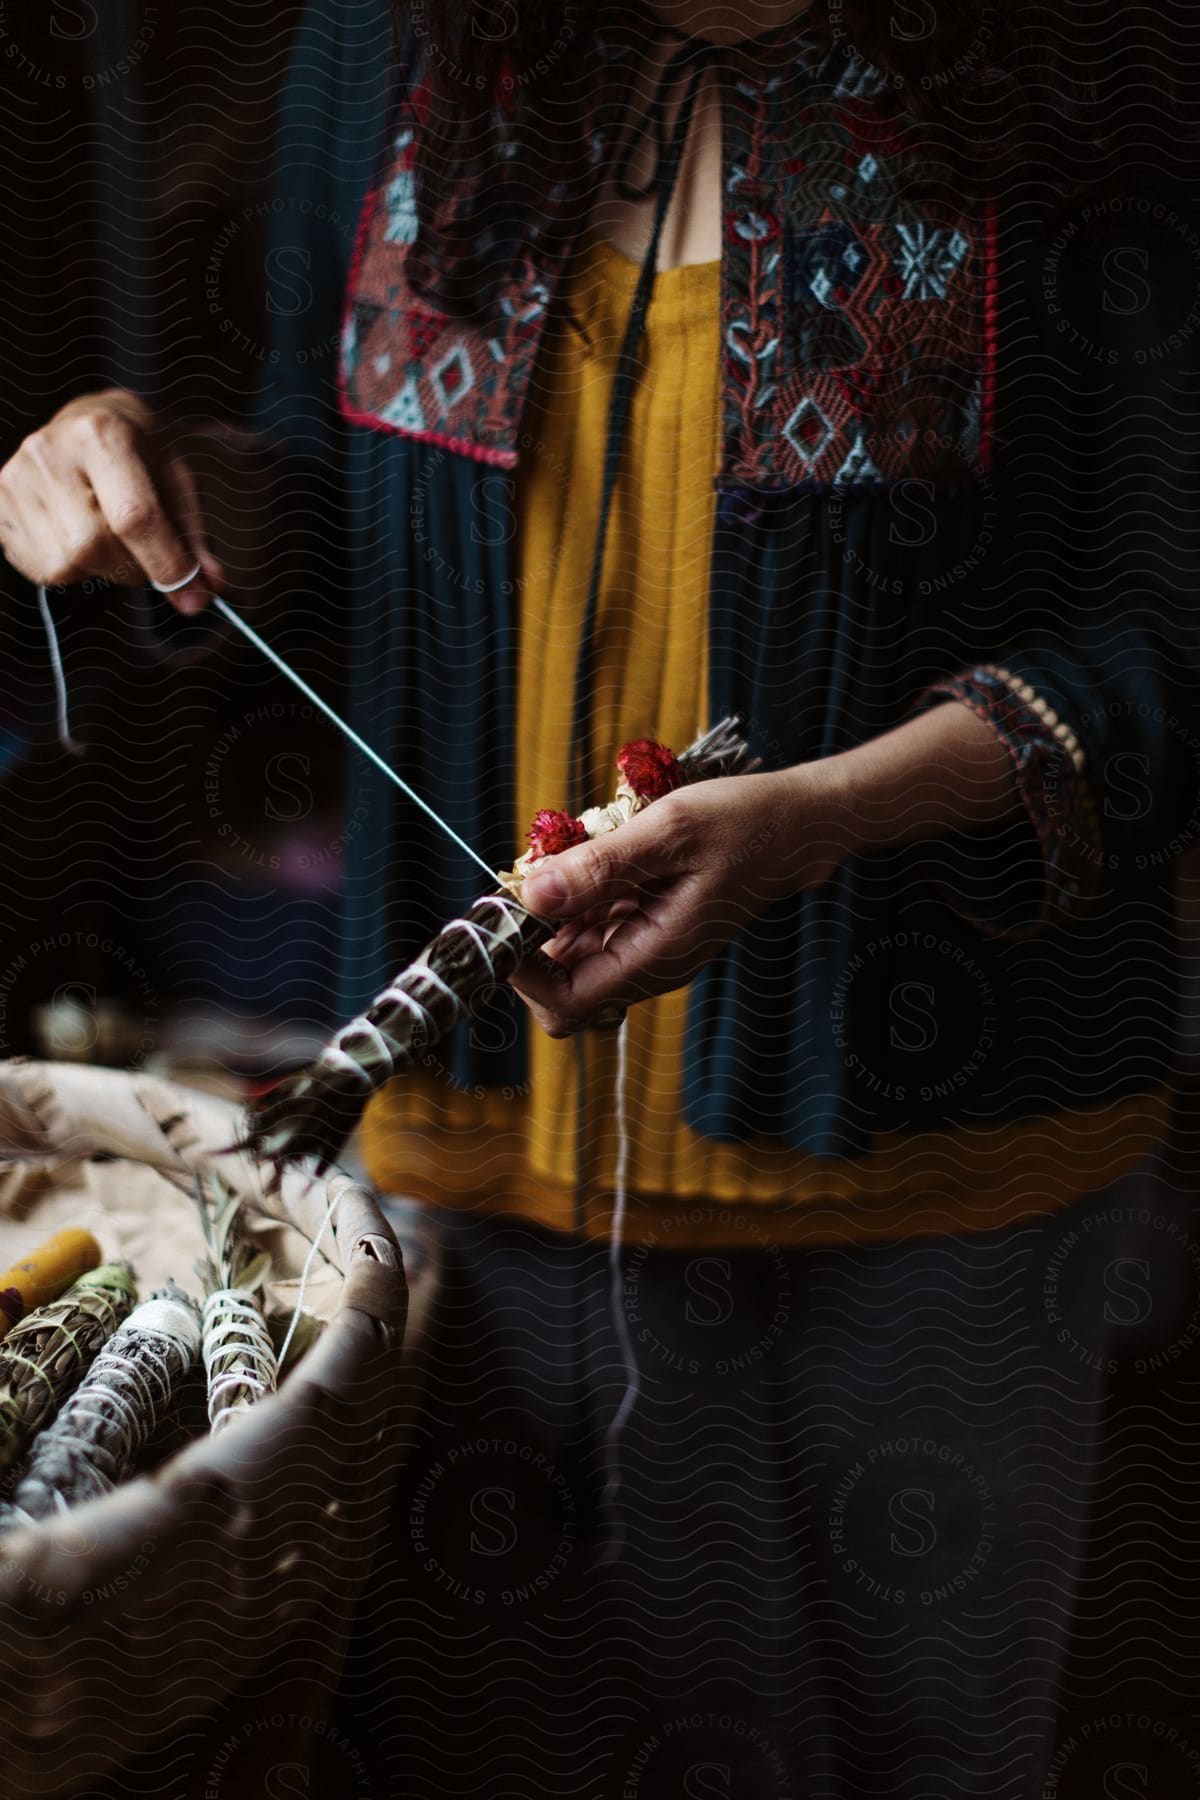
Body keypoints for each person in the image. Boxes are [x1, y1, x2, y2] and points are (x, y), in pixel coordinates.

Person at [1, 3, 1197, 1794]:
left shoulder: (1102, 64)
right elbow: (330, 513)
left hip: (949, 1154)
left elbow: (1172, 626)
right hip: (488, 1151)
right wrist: (160, 491)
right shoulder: (396, 41)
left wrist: (821, 820)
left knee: (933, 1752)